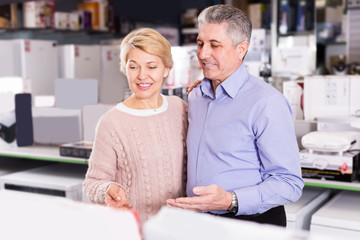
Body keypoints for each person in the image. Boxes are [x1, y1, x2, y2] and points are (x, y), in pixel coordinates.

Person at [166, 5, 304, 226]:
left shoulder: (267, 103)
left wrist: (231, 200)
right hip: (200, 222)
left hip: (252, 223)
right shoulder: (196, 96)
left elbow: (289, 183)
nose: (203, 53)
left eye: (214, 45)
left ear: (241, 49)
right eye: (200, 43)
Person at [83, 28, 188, 224]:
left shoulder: (179, 108)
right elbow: (92, 183)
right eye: (134, 67)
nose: (142, 76)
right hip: (135, 229)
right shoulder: (112, 122)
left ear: (166, 69)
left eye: (151, 66)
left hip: (180, 228)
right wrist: (107, 190)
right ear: (125, 68)